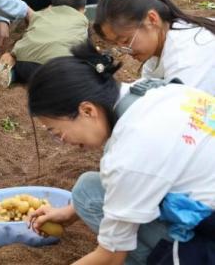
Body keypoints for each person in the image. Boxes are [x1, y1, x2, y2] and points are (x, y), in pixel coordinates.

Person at [26, 41, 215, 265]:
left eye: (57, 131)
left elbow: (110, 257)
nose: (62, 141)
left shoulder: (129, 153)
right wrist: (69, 213)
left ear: (87, 110)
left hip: (207, 238)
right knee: (88, 190)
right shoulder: (149, 90)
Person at [94, 0, 215, 95]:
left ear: (152, 19)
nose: (125, 50)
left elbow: (186, 113)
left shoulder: (185, 57)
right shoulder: (159, 46)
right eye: (116, 44)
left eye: (126, 40)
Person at [0, 0, 88, 87]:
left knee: (22, 70)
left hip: (26, 63)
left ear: (51, 6)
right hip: (58, 70)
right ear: (82, 10)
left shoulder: (39, 15)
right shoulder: (82, 20)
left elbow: (30, 33)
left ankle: (11, 74)